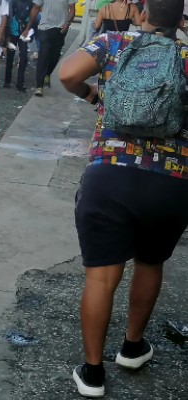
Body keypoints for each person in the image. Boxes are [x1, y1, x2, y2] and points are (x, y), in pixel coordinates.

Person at [59, 0, 188, 397]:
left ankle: (93, 373)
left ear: (141, 13)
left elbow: (66, 74)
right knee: (150, 263)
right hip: (170, 182)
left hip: (109, 176)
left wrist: (94, 96)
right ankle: (132, 347)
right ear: (181, 18)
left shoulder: (113, 42)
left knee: (101, 275)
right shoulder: (185, 55)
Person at [23, 0, 76, 97]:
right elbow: (36, 7)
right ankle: (39, 85)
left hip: (61, 28)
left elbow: (72, 8)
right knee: (43, 54)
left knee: (55, 56)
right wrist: (28, 27)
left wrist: (68, 23)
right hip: (45, 27)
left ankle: (48, 73)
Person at [4, 0, 35, 91]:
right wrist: (8, 35)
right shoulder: (13, 2)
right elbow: (8, 17)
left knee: (23, 57)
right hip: (14, 33)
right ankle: (7, 81)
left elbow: (32, 17)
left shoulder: (30, 3)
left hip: (23, 34)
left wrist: (28, 30)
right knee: (10, 57)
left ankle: (20, 83)